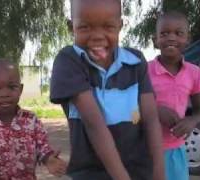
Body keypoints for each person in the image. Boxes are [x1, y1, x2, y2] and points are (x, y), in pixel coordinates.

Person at [50, 0, 165, 179]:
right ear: (71, 26)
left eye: (108, 27)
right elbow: (94, 123)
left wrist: (159, 174)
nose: (97, 36)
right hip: (91, 173)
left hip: (139, 170)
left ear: (120, 26)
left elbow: (150, 118)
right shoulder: (69, 61)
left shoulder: (135, 61)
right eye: (85, 27)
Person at [0, 59, 67, 180]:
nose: (4, 94)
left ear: (20, 89)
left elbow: (42, 147)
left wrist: (49, 159)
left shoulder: (31, 121)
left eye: (11, 87)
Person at [148, 11, 200, 180]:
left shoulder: (194, 73)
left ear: (188, 39)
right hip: (145, 147)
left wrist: (192, 121)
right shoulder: (143, 71)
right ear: (155, 40)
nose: (171, 38)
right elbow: (130, 106)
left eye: (178, 33)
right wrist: (155, 111)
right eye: (164, 33)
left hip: (175, 149)